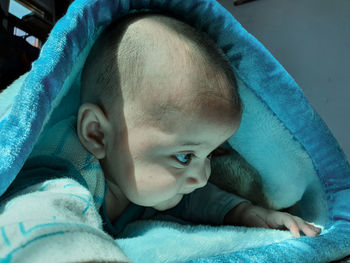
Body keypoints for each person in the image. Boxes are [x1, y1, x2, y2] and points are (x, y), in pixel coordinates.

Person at [0, 11, 320, 262]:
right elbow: (42, 225)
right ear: (97, 134)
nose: (201, 176)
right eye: (185, 156)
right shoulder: (60, 176)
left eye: (209, 155)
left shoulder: (142, 175)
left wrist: (243, 212)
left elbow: (197, 199)